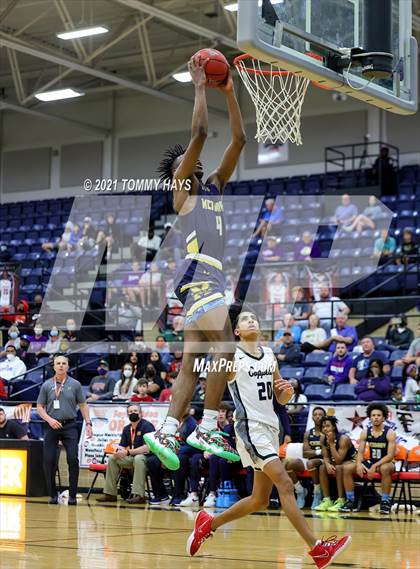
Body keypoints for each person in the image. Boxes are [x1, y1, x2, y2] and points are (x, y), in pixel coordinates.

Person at [186, 311, 351, 567]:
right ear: (237, 331)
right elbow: (210, 382)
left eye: (255, 318)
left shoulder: (270, 356)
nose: (252, 320)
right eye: (245, 319)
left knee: (259, 499)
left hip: (271, 428)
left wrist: (287, 393)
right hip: (250, 428)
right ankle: (317, 549)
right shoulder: (231, 356)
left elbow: (280, 399)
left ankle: (209, 524)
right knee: (285, 484)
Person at [144, 54, 246, 470]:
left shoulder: (215, 188)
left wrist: (230, 91)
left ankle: (168, 429)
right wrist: (200, 85)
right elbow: (202, 131)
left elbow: (239, 141)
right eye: (187, 162)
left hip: (200, 282)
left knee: (191, 362)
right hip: (202, 276)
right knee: (226, 348)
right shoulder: (182, 193)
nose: (196, 162)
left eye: (196, 162)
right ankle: (206, 423)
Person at [36, 354, 92, 505]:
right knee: (49, 461)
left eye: (63, 363)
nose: (61, 366)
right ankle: (53, 495)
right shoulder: (47, 385)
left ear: (68, 366)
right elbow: (39, 407)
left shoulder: (75, 384)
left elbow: (83, 404)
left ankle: (72, 495)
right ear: (53, 366)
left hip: (69, 426)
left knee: (72, 459)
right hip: (51, 426)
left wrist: (88, 424)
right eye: (58, 363)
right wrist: (50, 419)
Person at [341, 404, 396, 514]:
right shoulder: (365, 432)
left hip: (387, 462)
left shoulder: (390, 433)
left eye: (379, 415)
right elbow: (360, 452)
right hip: (372, 461)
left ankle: (385, 502)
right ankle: (350, 500)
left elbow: (390, 455)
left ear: (384, 418)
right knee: (346, 469)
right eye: (373, 415)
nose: (376, 417)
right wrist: (359, 464)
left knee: (385, 468)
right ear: (370, 418)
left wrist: (374, 466)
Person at [96, 403, 154, 504]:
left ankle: (139, 495)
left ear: (141, 414)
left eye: (135, 411)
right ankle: (110, 494)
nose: (133, 413)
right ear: (127, 415)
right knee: (112, 459)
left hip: (147, 458)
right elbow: (123, 446)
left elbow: (147, 447)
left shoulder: (147, 426)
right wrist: (117, 451)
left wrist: (128, 452)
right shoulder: (127, 428)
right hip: (132, 457)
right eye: (130, 412)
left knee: (139, 458)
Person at [283, 406, 326, 509]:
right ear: (312, 417)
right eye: (315, 415)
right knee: (288, 464)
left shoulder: (327, 432)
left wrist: (314, 452)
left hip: (323, 461)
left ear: (324, 417)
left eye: (320, 415)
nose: (318, 417)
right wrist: (319, 451)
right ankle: (300, 491)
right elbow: (305, 453)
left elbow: (327, 453)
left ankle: (317, 492)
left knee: (310, 463)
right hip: (309, 460)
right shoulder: (308, 433)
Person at [314, 416, 357, 512]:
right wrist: (328, 465)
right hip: (339, 461)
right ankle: (327, 500)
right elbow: (325, 457)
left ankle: (341, 500)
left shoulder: (343, 438)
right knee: (322, 467)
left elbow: (339, 461)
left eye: (328, 426)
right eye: (323, 427)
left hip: (352, 461)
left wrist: (332, 444)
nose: (325, 428)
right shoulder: (323, 438)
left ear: (333, 427)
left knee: (339, 467)